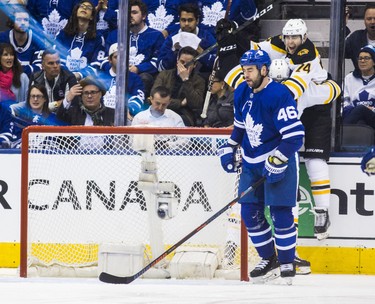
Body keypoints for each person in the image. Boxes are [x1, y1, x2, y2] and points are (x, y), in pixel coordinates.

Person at [217, 18, 341, 241]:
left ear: (304, 38)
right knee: (285, 182)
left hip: (309, 113)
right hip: (283, 119)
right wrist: (232, 39)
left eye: (296, 37)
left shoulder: (303, 71)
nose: (291, 41)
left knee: (314, 162)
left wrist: (331, 86)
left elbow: (330, 91)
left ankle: (321, 212)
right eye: (288, 37)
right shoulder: (260, 81)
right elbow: (251, 53)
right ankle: (287, 240)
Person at [218, 49, 304, 284]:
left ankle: (287, 262)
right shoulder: (242, 91)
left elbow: (295, 136)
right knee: (249, 212)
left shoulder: (278, 94)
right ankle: (269, 259)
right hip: (251, 161)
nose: (246, 74)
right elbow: (240, 126)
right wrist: (230, 146)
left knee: (280, 213)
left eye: (250, 70)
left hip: (278, 159)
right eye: (244, 70)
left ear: (264, 70)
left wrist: (278, 160)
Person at [105, 0, 165, 99]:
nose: (130, 15)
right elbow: (105, 59)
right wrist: (116, 69)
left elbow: (157, 61)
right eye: (127, 12)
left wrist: (138, 68)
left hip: (141, 75)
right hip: (116, 72)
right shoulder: (115, 34)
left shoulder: (156, 35)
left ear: (144, 16)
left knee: (145, 78)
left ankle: (137, 107)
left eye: (134, 12)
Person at [157, 2, 216, 75]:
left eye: (190, 20)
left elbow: (217, 64)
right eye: (183, 20)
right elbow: (161, 67)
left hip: (199, 78)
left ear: (197, 21)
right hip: (174, 77)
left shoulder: (206, 36)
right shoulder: (172, 38)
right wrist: (173, 52)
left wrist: (201, 52)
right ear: (179, 21)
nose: (186, 24)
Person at [152, 46, 205, 126]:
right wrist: (180, 103)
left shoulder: (199, 81)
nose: (184, 66)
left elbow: (196, 104)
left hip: (184, 115)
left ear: (195, 65)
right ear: (177, 60)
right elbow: (154, 98)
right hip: (162, 110)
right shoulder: (164, 75)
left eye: (188, 63)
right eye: (182, 62)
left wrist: (186, 80)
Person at [55, 0, 105, 80]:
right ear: (76, 12)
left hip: (85, 81)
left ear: (92, 17)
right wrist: (66, 75)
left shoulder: (98, 39)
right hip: (61, 78)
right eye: (82, 6)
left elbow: (96, 66)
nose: (84, 8)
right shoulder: (63, 34)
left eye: (88, 8)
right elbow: (55, 56)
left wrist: (79, 75)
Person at [100, 43, 145, 121]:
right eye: (116, 57)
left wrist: (129, 109)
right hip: (102, 114)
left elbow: (138, 97)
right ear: (109, 60)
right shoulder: (101, 77)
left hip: (124, 116)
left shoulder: (134, 78)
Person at [29, 48, 78, 113]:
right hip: (42, 117)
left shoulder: (69, 78)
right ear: (43, 66)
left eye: (57, 62)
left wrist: (45, 107)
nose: (55, 66)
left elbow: (69, 105)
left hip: (63, 117)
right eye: (51, 63)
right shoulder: (36, 78)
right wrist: (58, 103)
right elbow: (34, 105)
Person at [0, 7, 44, 76]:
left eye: (26, 20)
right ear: (12, 21)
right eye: (19, 20)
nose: (23, 23)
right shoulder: (2, 38)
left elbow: (39, 67)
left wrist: (14, 69)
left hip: (31, 82)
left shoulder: (38, 39)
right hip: (6, 80)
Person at [342, 45, 375, 132]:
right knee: (360, 122)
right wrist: (356, 110)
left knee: (361, 109)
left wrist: (369, 109)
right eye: (360, 58)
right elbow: (344, 103)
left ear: (374, 62)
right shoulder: (349, 78)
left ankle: (341, 138)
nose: (362, 61)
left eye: (367, 58)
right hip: (355, 117)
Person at [345, 3, 375, 71]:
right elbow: (339, 53)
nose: (373, 22)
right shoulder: (356, 38)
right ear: (364, 21)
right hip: (360, 80)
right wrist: (342, 26)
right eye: (369, 19)